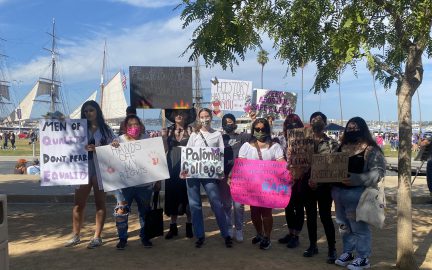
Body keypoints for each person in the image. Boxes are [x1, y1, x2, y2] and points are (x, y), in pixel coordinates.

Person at [332, 117, 385, 269]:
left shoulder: (371, 149)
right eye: (349, 128)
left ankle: (363, 257)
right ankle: (348, 252)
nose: (352, 130)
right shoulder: (339, 147)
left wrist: (358, 179)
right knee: (344, 226)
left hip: (358, 195)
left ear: (363, 129)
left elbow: (379, 172)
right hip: (338, 193)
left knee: (359, 227)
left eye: (355, 128)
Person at [65, 100, 115, 249]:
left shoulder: (106, 130)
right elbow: (66, 143)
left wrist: (98, 148)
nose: (88, 113)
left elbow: (114, 145)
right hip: (82, 168)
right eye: (85, 111)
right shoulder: (77, 128)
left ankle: (97, 236)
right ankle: (75, 235)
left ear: (97, 111)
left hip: (100, 168)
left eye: (91, 110)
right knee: (78, 204)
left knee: (100, 203)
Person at [180, 108, 232, 248]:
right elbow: (188, 153)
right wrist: (184, 170)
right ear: (199, 118)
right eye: (202, 116)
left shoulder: (217, 134)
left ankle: (226, 234)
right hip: (193, 174)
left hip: (209, 174)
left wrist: (220, 171)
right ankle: (200, 235)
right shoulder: (194, 135)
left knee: (216, 203)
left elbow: (220, 154)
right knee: (195, 205)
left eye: (207, 116)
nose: (204, 119)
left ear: (211, 117)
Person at [111, 114, 161, 250]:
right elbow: (111, 160)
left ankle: (145, 237)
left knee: (144, 212)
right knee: (121, 212)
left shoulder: (147, 139)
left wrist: (158, 180)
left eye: (136, 124)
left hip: (144, 186)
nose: (134, 127)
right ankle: (122, 238)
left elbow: (156, 159)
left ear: (141, 125)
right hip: (124, 186)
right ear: (125, 127)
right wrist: (113, 147)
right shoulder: (119, 140)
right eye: (130, 125)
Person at [237, 118, 285, 250]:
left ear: (267, 130)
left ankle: (267, 237)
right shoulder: (246, 147)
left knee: (266, 213)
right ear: (253, 130)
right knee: (254, 212)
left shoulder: (275, 147)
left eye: (263, 129)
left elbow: (281, 164)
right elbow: (241, 165)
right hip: (252, 186)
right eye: (257, 129)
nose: (260, 131)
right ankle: (259, 233)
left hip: (268, 186)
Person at [305, 112, 338, 263]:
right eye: (314, 119)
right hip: (307, 184)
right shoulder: (303, 142)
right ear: (310, 122)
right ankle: (313, 245)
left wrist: (321, 181)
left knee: (325, 217)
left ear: (325, 123)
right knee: (310, 217)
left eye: (320, 120)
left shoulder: (332, 143)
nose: (316, 122)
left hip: (324, 187)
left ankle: (332, 248)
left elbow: (336, 166)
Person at [163, 108, 196, 239]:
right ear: (172, 116)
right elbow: (164, 150)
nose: (179, 115)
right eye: (176, 113)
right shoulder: (168, 130)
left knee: (188, 194)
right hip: (172, 163)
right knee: (172, 194)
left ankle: (189, 225)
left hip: (187, 164)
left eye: (182, 113)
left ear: (187, 116)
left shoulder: (192, 130)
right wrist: (164, 138)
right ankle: (173, 226)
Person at [278, 114, 307, 248]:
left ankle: (296, 235)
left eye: (294, 125)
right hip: (286, 179)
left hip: (300, 179)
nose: (291, 127)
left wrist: (299, 173)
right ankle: (290, 232)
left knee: (299, 207)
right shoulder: (281, 140)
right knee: (288, 207)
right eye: (288, 125)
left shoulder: (306, 140)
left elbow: (308, 159)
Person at [220, 114, 249, 242]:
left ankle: (239, 228)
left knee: (238, 205)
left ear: (235, 123)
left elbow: (255, 134)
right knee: (226, 204)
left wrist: (253, 118)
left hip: (238, 175)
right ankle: (228, 227)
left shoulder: (241, 137)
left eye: (230, 121)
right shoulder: (219, 138)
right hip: (223, 175)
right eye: (225, 122)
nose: (228, 124)